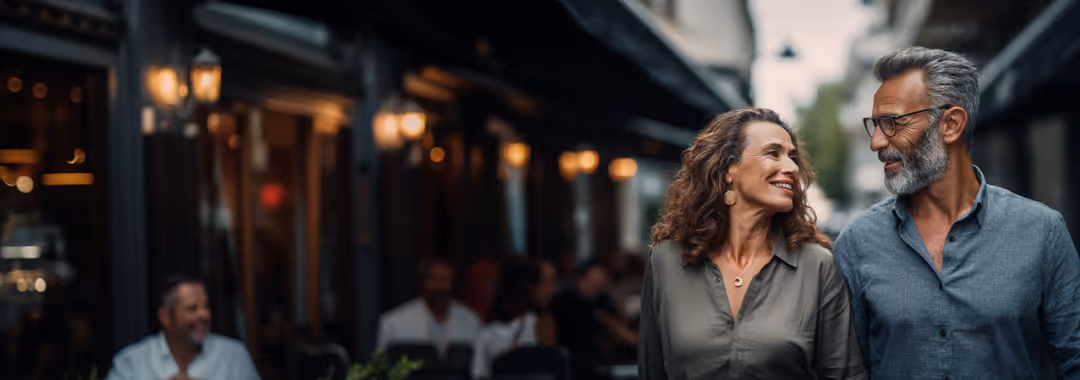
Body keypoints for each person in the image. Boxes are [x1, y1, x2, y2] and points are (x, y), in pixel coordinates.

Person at [834, 47, 1080, 379]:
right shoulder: (856, 243)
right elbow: (845, 371)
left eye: (892, 123)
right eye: (874, 125)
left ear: (950, 125)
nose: (877, 142)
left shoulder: (1043, 232)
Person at [640, 107, 866, 379]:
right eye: (773, 153)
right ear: (728, 169)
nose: (792, 167)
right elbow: (652, 371)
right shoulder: (667, 261)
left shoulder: (817, 265)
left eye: (793, 157)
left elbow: (844, 374)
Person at [107, 274, 259, 380]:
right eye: (192, 308)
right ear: (165, 317)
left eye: (206, 306)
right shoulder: (131, 363)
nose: (204, 315)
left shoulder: (234, 356)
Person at [472, 257, 558, 379]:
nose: (550, 290)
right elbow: (479, 373)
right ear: (523, 286)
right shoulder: (489, 332)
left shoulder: (543, 323)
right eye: (539, 282)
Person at [377, 257, 482, 354]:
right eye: (436, 279)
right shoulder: (393, 324)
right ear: (422, 282)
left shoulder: (470, 320)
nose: (442, 286)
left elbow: (479, 367)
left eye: (447, 280)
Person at [551, 259, 635, 378]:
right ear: (587, 274)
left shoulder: (604, 300)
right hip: (579, 365)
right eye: (600, 271)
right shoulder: (566, 300)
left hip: (606, 362)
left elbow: (623, 335)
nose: (604, 275)